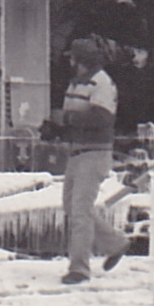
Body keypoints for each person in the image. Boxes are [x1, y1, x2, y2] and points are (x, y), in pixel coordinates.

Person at [51, 36, 128, 285]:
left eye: (72, 58)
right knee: (73, 209)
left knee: (80, 212)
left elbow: (102, 119)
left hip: (94, 153)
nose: (70, 62)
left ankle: (80, 268)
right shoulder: (77, 84)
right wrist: (56, 129)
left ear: (80, 60)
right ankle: (116, 242)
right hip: (77, 152)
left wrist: (67, 120)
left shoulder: (101, 83)